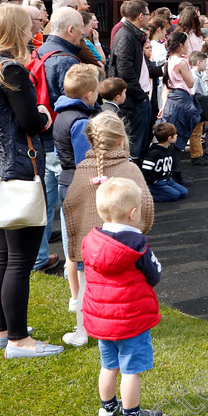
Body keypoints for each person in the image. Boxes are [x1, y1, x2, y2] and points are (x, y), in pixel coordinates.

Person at [0, 3, 62, 359]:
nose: (33, 31)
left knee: (2, 256)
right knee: (19, 260)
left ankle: (4, 332)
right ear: (17, 30)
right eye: (29, 26)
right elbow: (29, 121)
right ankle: (20, 340)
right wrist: (41, 114)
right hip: (18, 167)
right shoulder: (11, 69)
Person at [61, 112, 153, 347]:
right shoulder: (130, 169)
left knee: (85, 288)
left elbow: (70, 205)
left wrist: (77, 238)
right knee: (125, 287)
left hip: (89, 245)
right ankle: (125, 327)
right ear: (121, 139)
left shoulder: (83, 169)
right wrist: (139, 230)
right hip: (125, 246)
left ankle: (82, 332)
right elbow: (146, 206)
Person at [81, 177, 162, 416]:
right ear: (134, 213)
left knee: (108, 365)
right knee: (131, 370)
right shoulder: (138, 246)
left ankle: (108, 407)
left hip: (102, 319)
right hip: (130, 319)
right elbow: (155, 275)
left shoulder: (91, 242)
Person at [33, 6, 84, 274]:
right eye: (81, 29)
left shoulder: (38, 51)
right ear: (70, 29)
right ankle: (72, 267)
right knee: (70, 208)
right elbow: (72, 101)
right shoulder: (67, 60)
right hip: (62, 142)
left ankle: (39, 258)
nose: (84, 35)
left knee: (45, 203)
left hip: (41, 139)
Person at [53, 63, 101, 322]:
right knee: (83, 250)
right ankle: (82, 299)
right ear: (89, 94)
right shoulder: (81, 122)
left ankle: (75, 297)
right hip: (81, 184)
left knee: (72, 247)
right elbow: (87, 159)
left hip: (66, 180)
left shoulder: (61, 113)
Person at [109, 0, 160, 160]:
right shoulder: (126, 36)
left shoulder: (133, 35)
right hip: (134, 100)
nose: (148, 18)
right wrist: (141, 97)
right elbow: (125, 72)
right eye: (147, 14)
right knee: (134, 147)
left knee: (141, 144)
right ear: (140, 16)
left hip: (139, 97)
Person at [162, 32, 200, 174]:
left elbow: (166, 85)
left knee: (172, 136)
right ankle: (176, 172)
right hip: (181, 98)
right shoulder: (181, 62)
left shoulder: (169, 59)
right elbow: (190, 83)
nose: (187, 47)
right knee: (179, 136)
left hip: (172, 99)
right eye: (185, 44)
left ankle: (173, 172)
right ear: (180, 46)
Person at [142, 122, 188, 202]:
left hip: (167, 180)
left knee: (184, 192)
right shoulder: (154, 152)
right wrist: (154, 181)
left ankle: (163, 191)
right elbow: (146, 170)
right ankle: (148, 197)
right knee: (175, 195)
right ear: (169, 138)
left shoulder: (169, 149)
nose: (177, 135)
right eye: (175, 134)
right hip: (157, 182)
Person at [189, 50, 208, 165]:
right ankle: (196, 155)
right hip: (197, 107)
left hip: (199, 106)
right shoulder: (195, 77)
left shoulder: (197, 76)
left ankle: (199, 153)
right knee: (196, 133)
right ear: (199, 62)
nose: (206, 65)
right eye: (205, 62)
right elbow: (193, 94)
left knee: (199, 132)